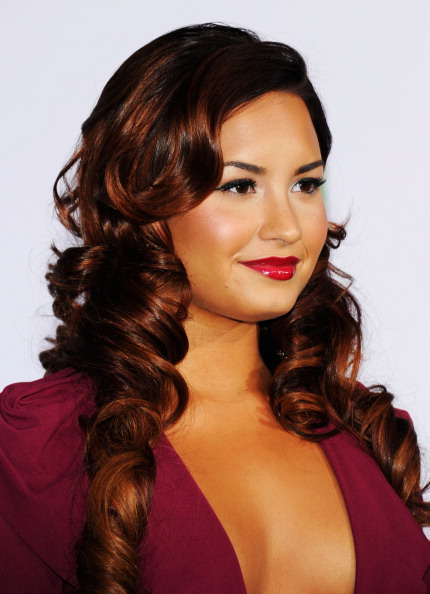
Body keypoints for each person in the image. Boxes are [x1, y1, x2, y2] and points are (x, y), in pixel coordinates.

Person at [0, 22, 429, 594]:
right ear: (144, 200)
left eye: (305, 185)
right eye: (239, 186)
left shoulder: (369, 434)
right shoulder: (36, 450)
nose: (286, 227)